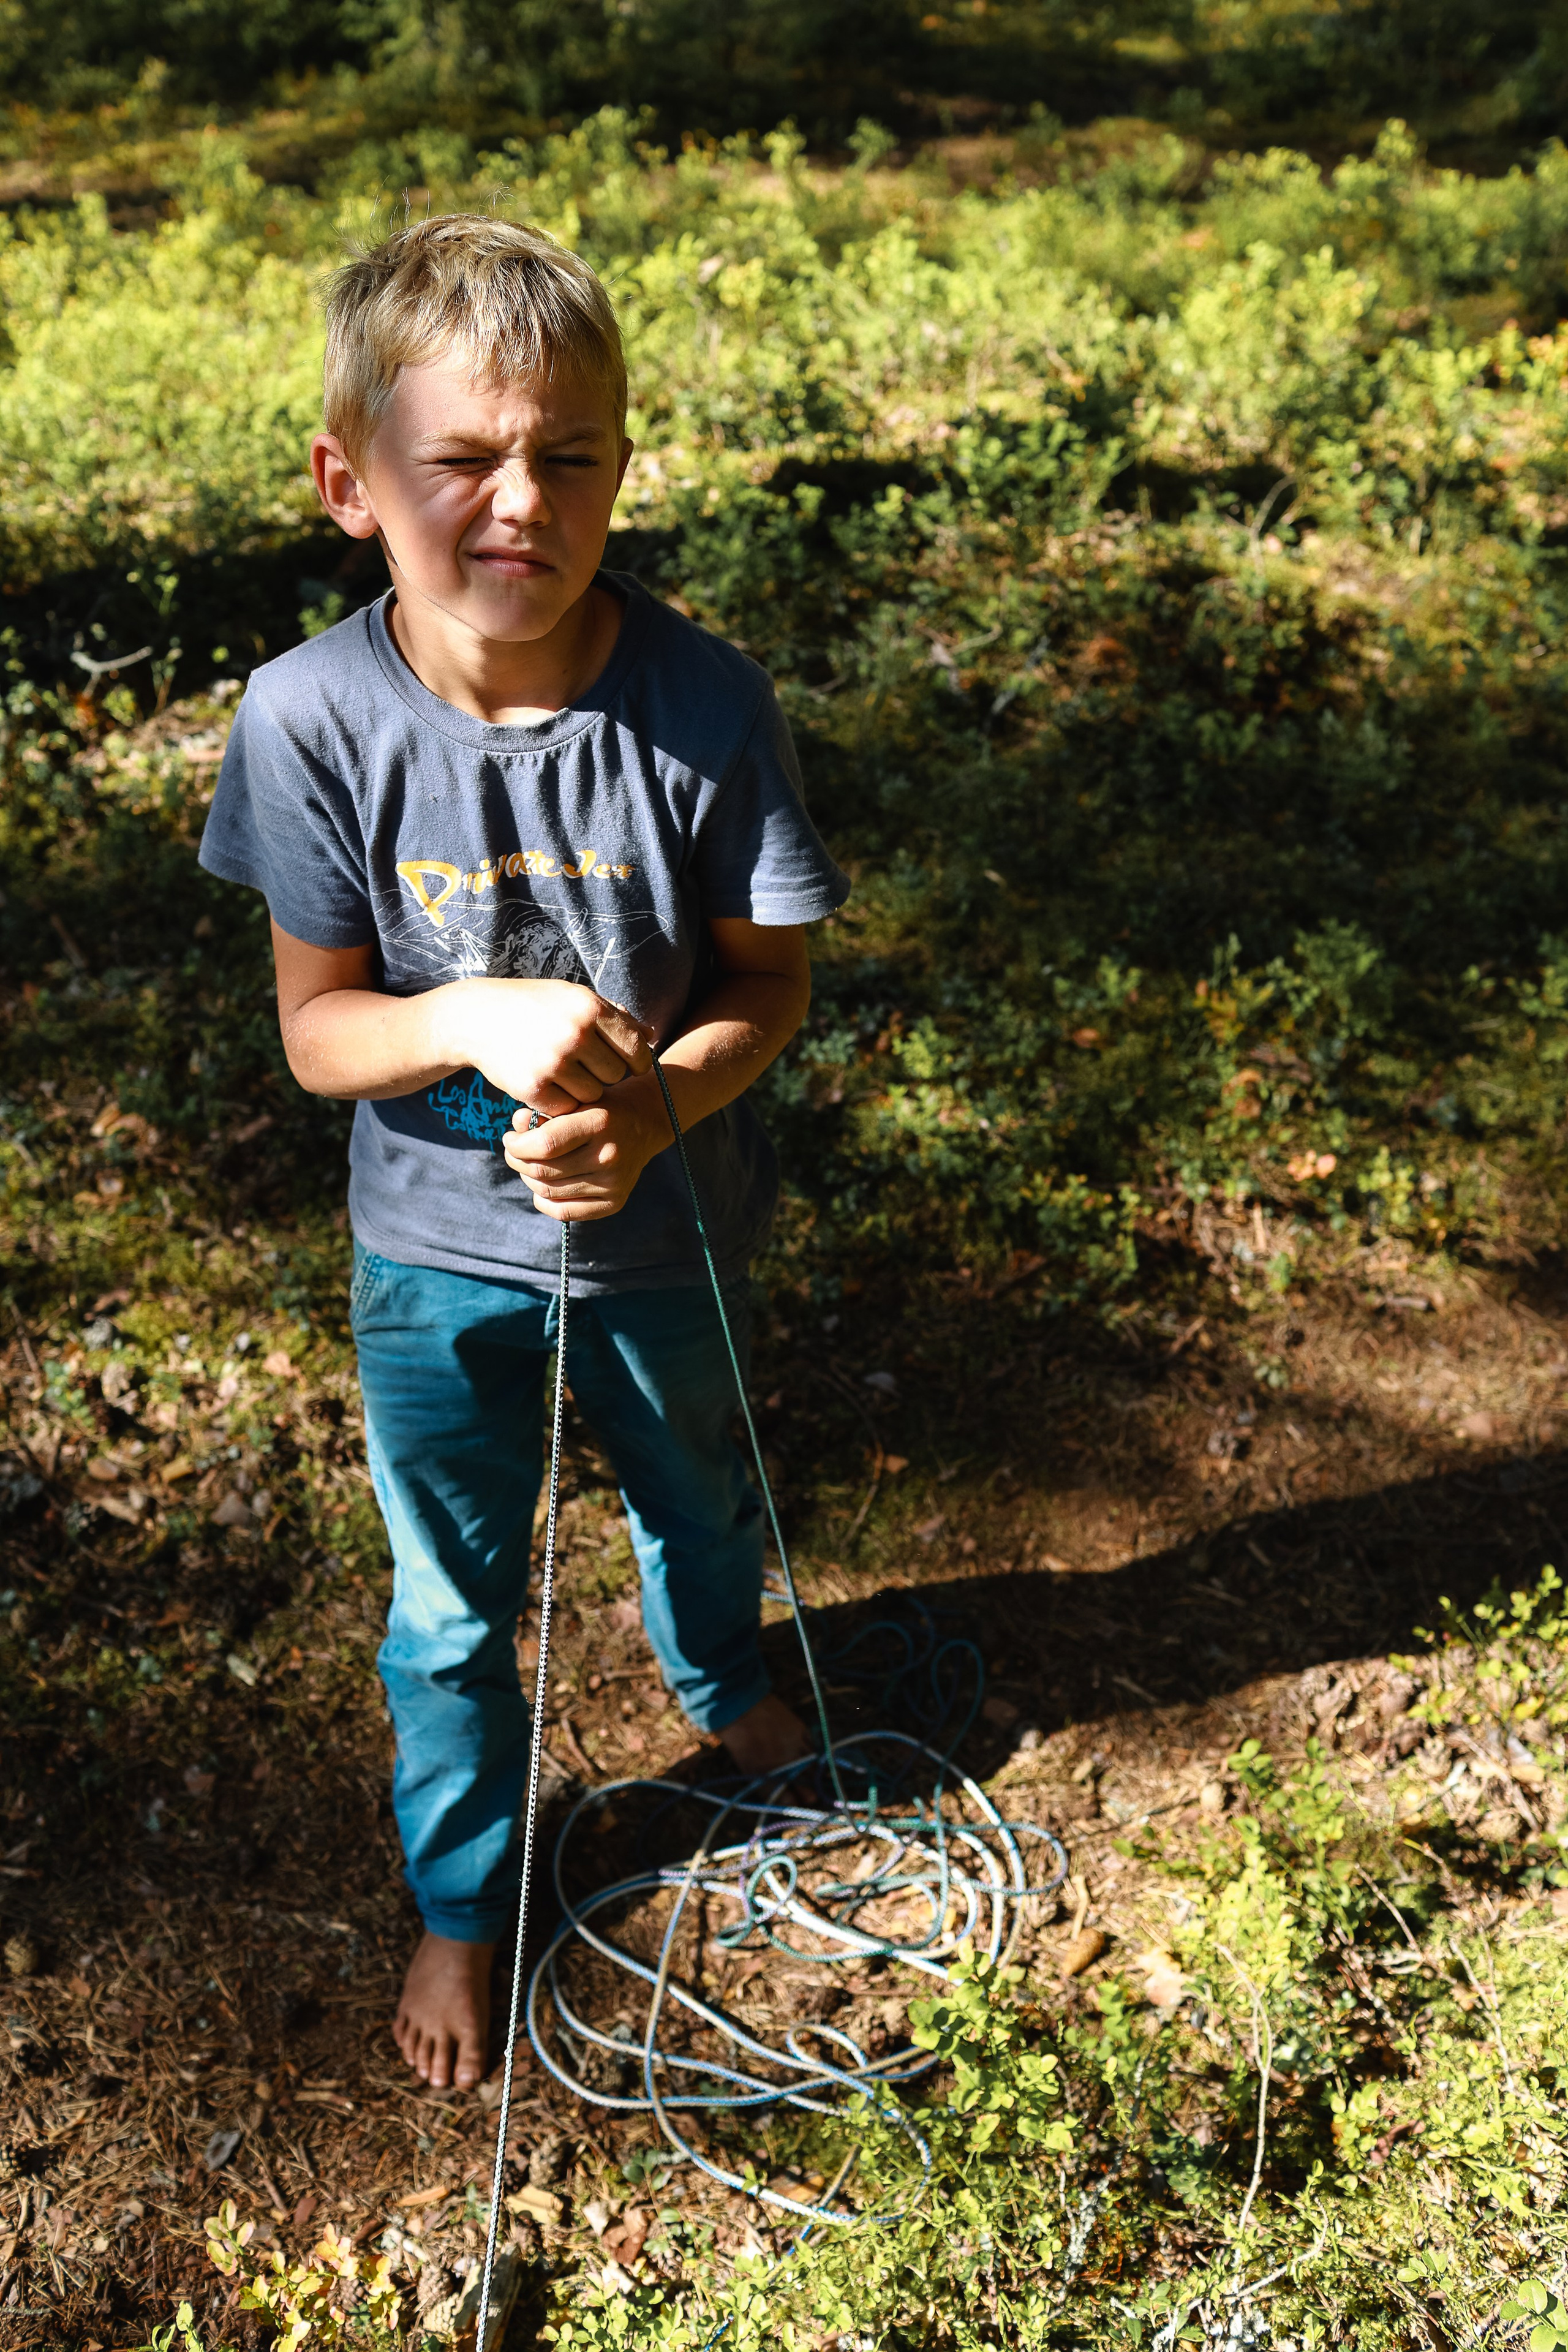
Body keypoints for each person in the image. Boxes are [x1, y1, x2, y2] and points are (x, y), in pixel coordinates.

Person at [197, 214, 848, 2092]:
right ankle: (467, 1899)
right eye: (459, 459)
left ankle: (726, 1685)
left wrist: (655, 1110)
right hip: (432, 1261)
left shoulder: (705, 708)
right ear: (348, 482)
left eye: (567, 455)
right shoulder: (312, 720)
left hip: (669, 1241)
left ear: (620, 468)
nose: (518, 503)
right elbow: (324, 1032)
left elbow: (767, 988)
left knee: (701, 1492)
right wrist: (472, 1014)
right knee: (452, 1604)